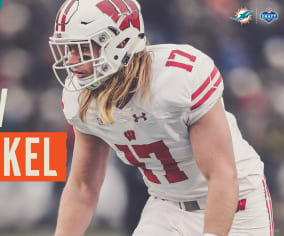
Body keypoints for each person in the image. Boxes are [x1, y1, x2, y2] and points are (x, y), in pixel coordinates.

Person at [48, 0, 274, 235]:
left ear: (120, 42)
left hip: (237, 205)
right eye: (69, 49)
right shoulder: (81, 97)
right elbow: (83, 186)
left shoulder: (178, 79)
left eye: (83, 48)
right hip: (166, 208)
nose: (72, 60)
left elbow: (222, 176)